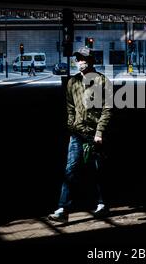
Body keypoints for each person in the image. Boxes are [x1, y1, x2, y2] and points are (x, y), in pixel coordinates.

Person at [49, 46, 113, 223]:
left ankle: (103, 204)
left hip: (95, 133)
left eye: (83, 59)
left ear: (91, 60)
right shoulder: (72, 82)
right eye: (77, 59)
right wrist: (71, 125)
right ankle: (62, 209)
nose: (79, 62)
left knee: (98, 170)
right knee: (70, 170)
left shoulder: (102, 81)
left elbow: (107, 110)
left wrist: (100, 132)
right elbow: (70, 107)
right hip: (77, 133)